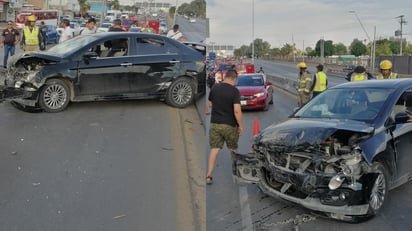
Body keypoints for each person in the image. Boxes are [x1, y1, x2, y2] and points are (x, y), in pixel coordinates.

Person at [206, 69, 243, 185]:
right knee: (233, 149)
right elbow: (237, 111)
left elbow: (210, 104)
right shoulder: (234, 91)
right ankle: (236, 172)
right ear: (234, 79)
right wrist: (240, 126)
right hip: (229, 125)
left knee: (215, 149)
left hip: (215, 124)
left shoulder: (215, 88)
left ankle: (209, 176)